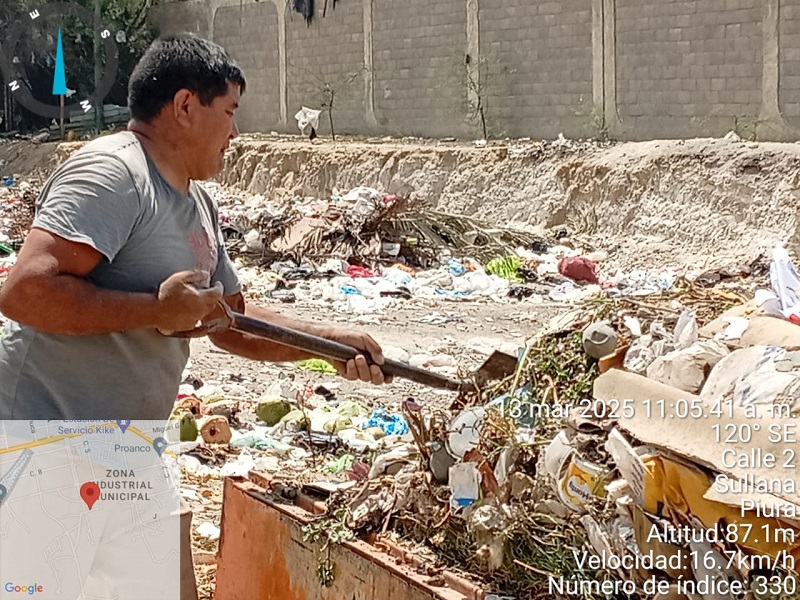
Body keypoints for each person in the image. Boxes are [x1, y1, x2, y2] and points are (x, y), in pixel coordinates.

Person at [0, 33, 390, 419]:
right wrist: (155, 310)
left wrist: (331, 345)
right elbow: (25, 293)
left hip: (121, 447)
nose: (234, 133)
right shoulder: (114, 174)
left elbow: (229, 323)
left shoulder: (198, 202)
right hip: (40, 436)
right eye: (230, 111)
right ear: (185, 106)